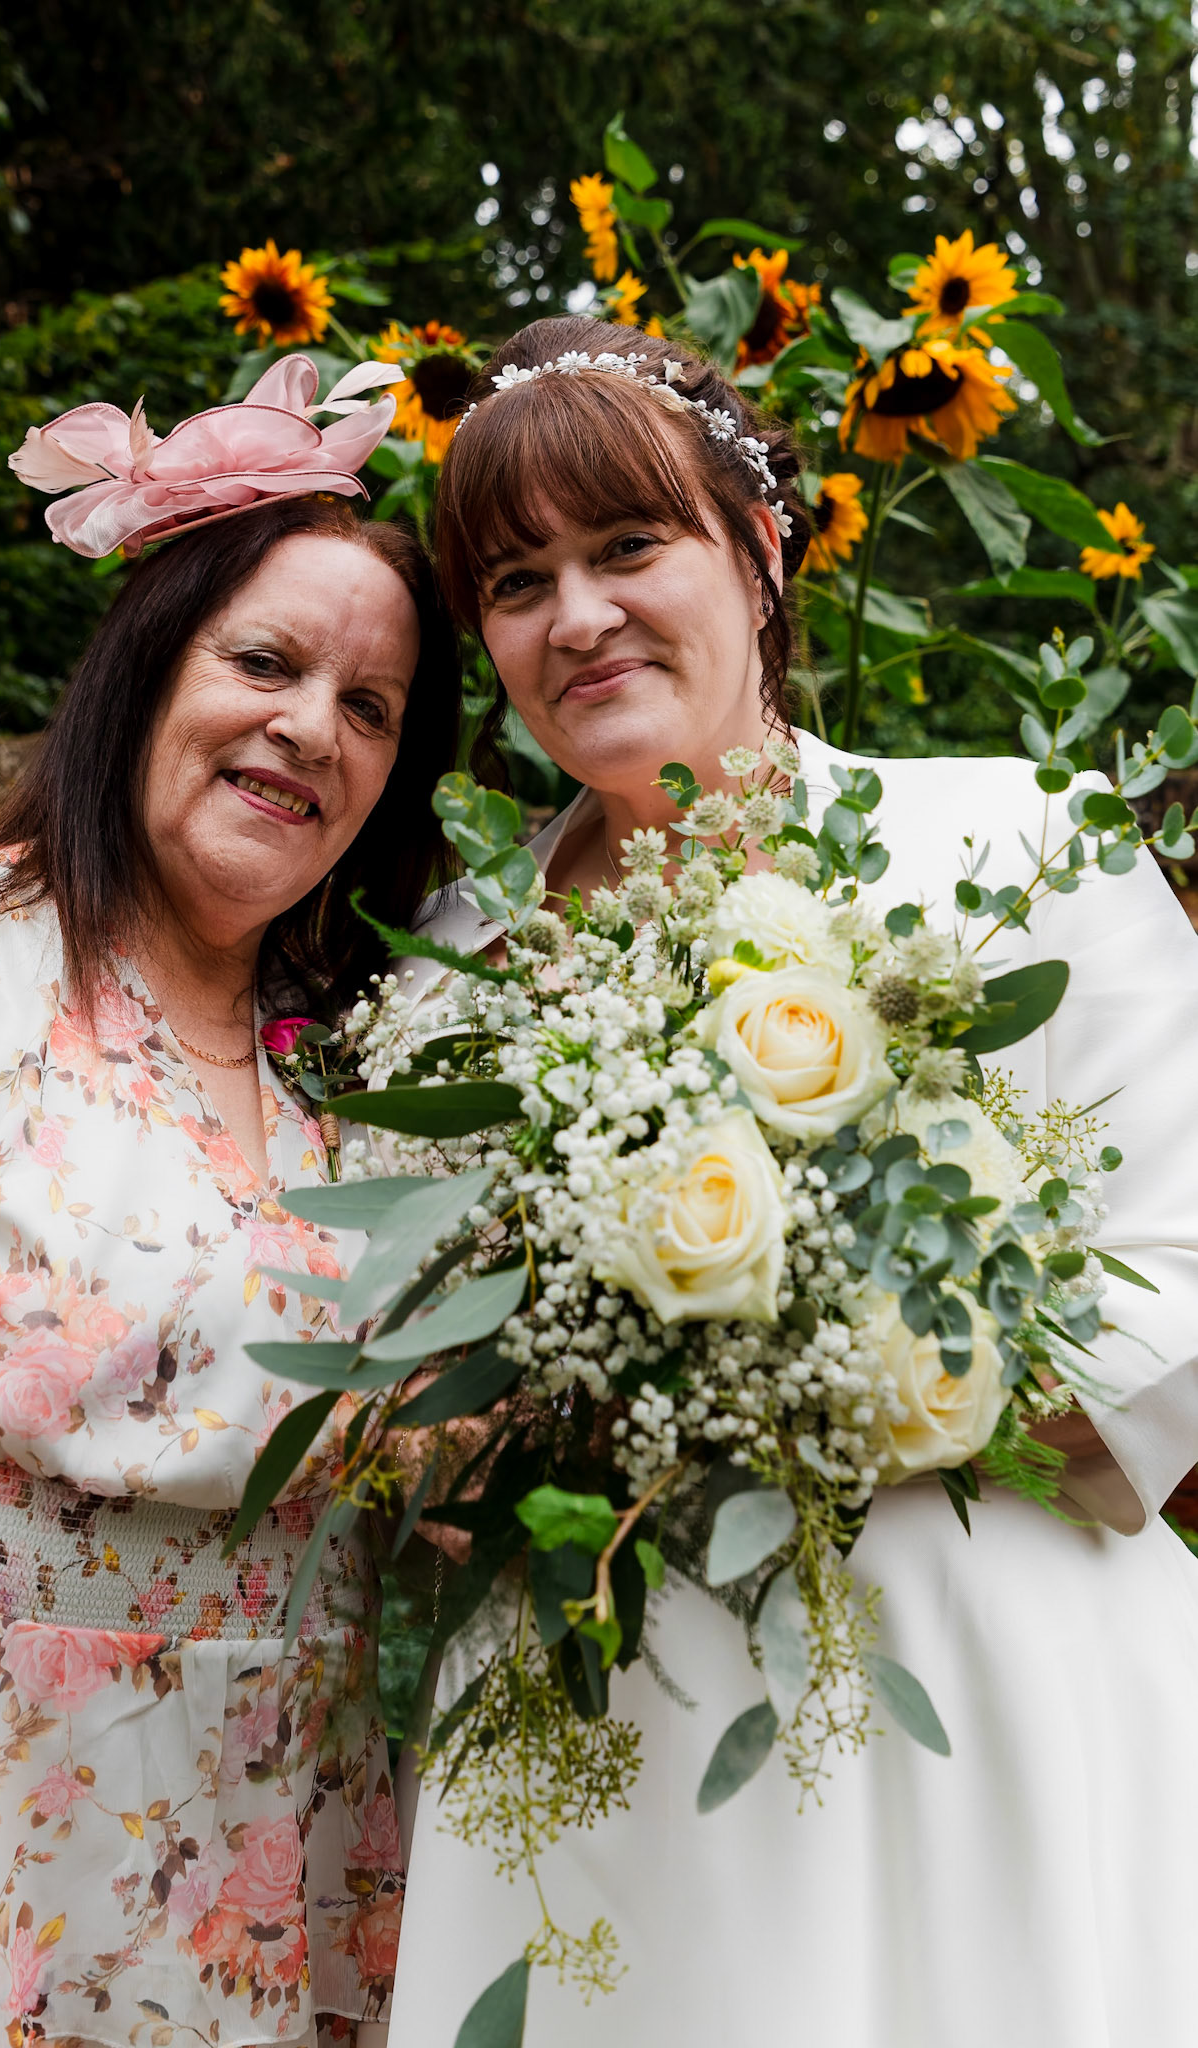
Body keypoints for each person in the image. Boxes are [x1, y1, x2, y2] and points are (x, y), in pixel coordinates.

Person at [386, 315, 1198, 2047]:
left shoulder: (1016, 849)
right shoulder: (452, 960)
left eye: (626, 545)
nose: (576, 616)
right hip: (603, 1709)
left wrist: (831, 1381)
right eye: (517, 581)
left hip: (987, 1689)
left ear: (757, 555)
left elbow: (1176, 1280)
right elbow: (395, 1358)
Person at [0, 357, 462, 2048]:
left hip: (282, 1874)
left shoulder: (374, 1080)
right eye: (263, 662)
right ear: (143, 671)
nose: (309, 729)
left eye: (371, 707)